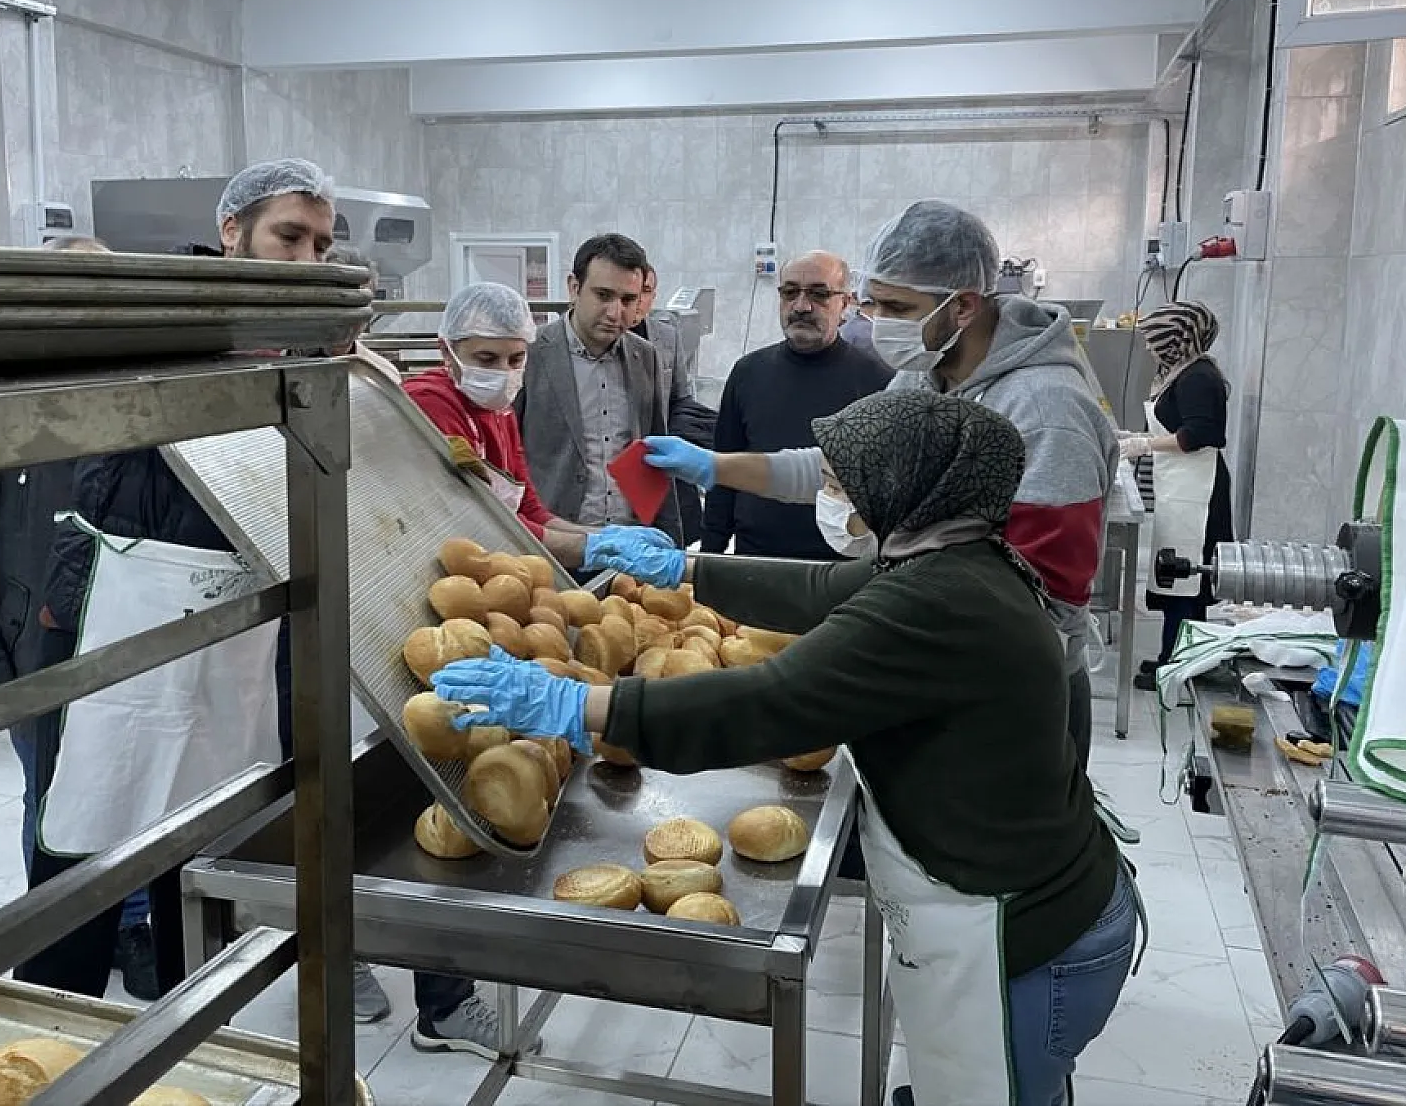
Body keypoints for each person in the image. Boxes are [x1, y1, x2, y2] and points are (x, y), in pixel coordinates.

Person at [436, 392, 1139, 1106]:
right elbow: (823, 587)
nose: (830, 497)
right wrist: (687, 570)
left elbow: (766, 702)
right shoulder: (950, 555)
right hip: (1019, 908)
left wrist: (578, 704)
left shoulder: (939, 599)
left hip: (1025, 940)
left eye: (843, 483)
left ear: (905, 487)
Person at [21, 161, 520, 1058]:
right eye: (290, 235)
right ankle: (43, 1034)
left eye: (322, 244)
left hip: (242, 630)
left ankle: (177, 1039)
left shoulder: (305, 347)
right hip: (137, 628)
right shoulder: (168, 320)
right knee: (85, 855)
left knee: (198, 852)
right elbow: (112, 483)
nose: (307, 256)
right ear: (230, 231)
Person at [640, 201, 1117, 771]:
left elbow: (1052, 605)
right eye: (873, 301)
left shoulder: (1045, 410)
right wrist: (719, 468)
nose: (877, 320)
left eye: (896, 306)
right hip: (934, 666)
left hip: (1012, 700)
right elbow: (842, 467)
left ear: (963, 304)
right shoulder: (926, 372)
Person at [0, 233, 160, 999]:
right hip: (37, 653)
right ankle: (63, 933)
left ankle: (131, 920)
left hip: (132, 636)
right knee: (55, 799)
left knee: (134, 784)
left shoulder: (132, 386)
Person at [405, 283, 673, 574]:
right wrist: (592, 549)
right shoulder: (432, 402)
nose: (503, 372)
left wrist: (600, 535)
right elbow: (478, 520)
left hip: (500, 565)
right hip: (450, 571)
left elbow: (530, 510)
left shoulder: (500, 410)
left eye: (516, 359)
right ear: (446, 350)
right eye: (486, 359)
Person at [515, 234, 714, 546]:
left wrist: (669, 538)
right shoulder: (530, 354)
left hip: (630, 543)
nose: (615, 312)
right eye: (603, 295)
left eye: (627, 300)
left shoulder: (645, 356)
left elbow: (653, 454)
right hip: (555, 541)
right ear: (574, 288)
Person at [701, 251, 892, 560]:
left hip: (840, 571)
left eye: (819, 294)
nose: (802, 306)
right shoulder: (748, 373)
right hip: (755, 560)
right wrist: (709, 555)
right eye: (790, 292)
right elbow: (723, 471)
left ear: (845, 304)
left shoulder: (878, 383)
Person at [1122, 302, 1232, 691]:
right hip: (1181, 486)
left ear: (1175, 340)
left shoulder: (1200, 378)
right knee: (1178, 575)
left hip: (1199, 492)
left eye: (1155, 341)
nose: (1150, 349)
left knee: (1186, 576)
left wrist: (1144, 444)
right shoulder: (1179, 374)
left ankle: (1179, 662)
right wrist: (1132, 440)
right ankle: (1180, 657)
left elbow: (1200, 434)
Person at [626, 265, 708, 546]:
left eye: (645, 292)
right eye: (629, 294)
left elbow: (680, 397)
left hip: (659, 453)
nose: (637, 300)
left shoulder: (666, 336)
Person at [324, 244, 404, 384]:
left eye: (359, 304)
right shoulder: (279, 362)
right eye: (337, 303)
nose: (348, 317)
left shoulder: (384, 376)